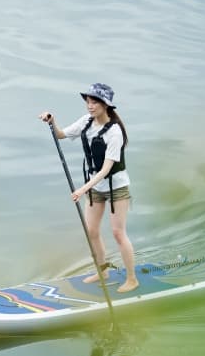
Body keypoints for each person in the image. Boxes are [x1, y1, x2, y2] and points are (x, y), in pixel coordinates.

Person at [39, 83, 139, 293]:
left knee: (118, 233)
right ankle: (103, 271)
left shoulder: (115, 132)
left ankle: (132, 279)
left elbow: (105, 169)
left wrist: (82, 189)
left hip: (116, 187)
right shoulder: (86, 122)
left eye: (95, 102)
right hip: (95, 186)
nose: (90, 106)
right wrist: (52, 121)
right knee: (91, 230)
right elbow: (60, 135)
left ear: (106, 105)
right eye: (88, 101)